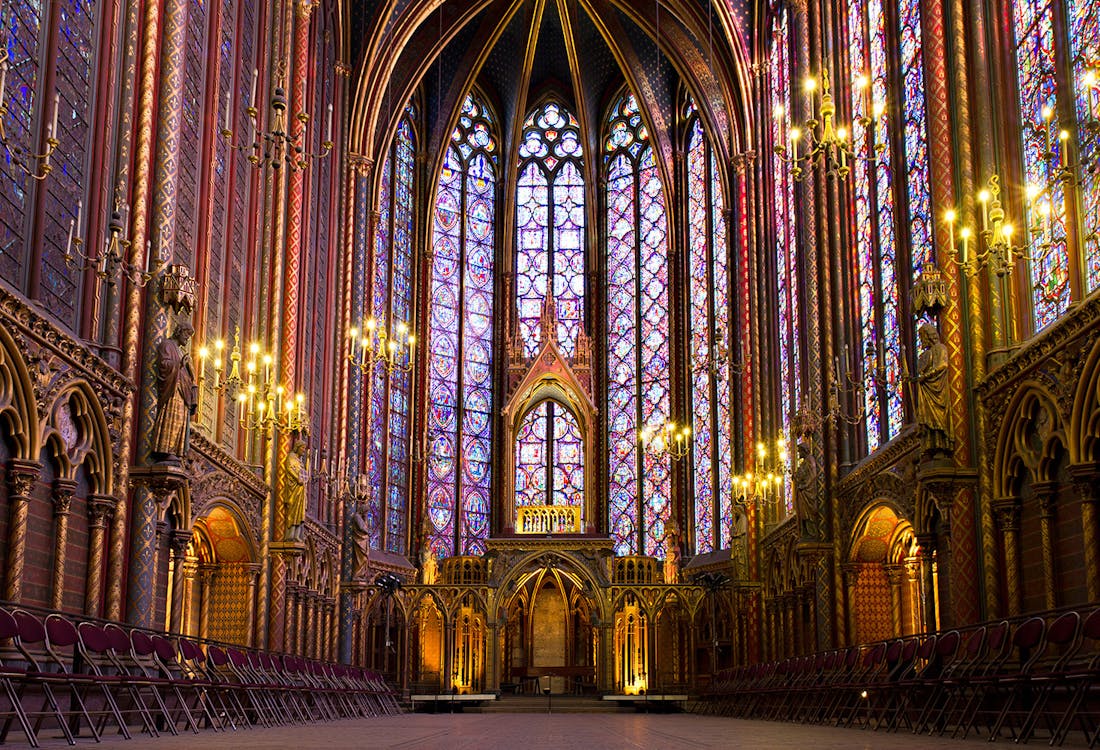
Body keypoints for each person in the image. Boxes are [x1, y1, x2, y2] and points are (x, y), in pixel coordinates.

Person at [150, 320, 197, 464]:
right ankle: (166, 449)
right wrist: (180, 363)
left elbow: (188, 376)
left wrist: (190, 369)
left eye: (189, 336)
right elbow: (164, 364)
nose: (187, 338)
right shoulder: (167, 345)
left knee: (180, 422)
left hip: (182, 391)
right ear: (179, 331)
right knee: (171, 419)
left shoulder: (181, 351)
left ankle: (176, 450)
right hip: (172, 390)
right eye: (186, 335)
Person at [916, 322, 953, 455]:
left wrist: (926, 376)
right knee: (928, 420)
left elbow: (943, 365)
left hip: (938, 388)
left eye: (922, 338)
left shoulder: (940, 348)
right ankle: (932, 446)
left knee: (938, 419)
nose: (921, 341)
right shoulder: (927, 353)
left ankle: (941, 445)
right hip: (927, 390)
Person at [793, 441, 821, 539]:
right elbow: (801, 475)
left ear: (804, 451)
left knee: (809, 514)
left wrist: (804, 486)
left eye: (799, 451)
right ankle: (806, 533)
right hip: (803, 493)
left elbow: (812, 476)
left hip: (808, 492)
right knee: (803, 515)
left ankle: (812, 534)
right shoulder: (804, 462)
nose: (798, 453)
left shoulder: (810, 460)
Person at [284, 437, 307, 541]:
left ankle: (297, 535)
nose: (304, 450)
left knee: (300, 512)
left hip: (301, 489)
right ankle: (290, 535)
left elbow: (303, 474)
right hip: (293, 488)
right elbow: (289, 468)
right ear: (297, 447)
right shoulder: (291, 457)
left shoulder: (300, 461)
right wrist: (297, 479)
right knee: (293, 510)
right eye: (302, 448)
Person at [351, 504, 370, 578]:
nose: (366, 513)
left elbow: (365, 526)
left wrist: (365, 518)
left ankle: (361, 574)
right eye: (366, 512)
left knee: (364, 559)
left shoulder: (361, 517)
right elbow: (362, 527)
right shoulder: (357, 517)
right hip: (359, 540)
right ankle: (357, 575)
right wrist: (367, 532)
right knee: (362, 558)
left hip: (363, 540)